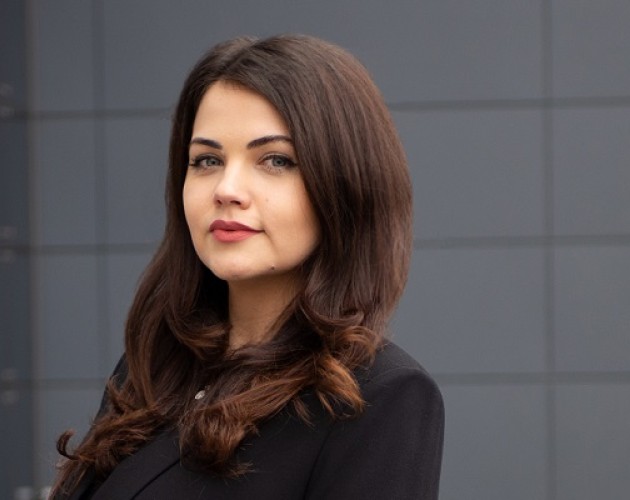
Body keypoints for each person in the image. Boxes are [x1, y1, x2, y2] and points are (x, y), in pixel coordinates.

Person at [51, 34, 444, 499]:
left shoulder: (380, 397)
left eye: (275, 160)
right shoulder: (152, 367)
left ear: (345, 185)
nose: (227, 188)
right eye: (207, 160)